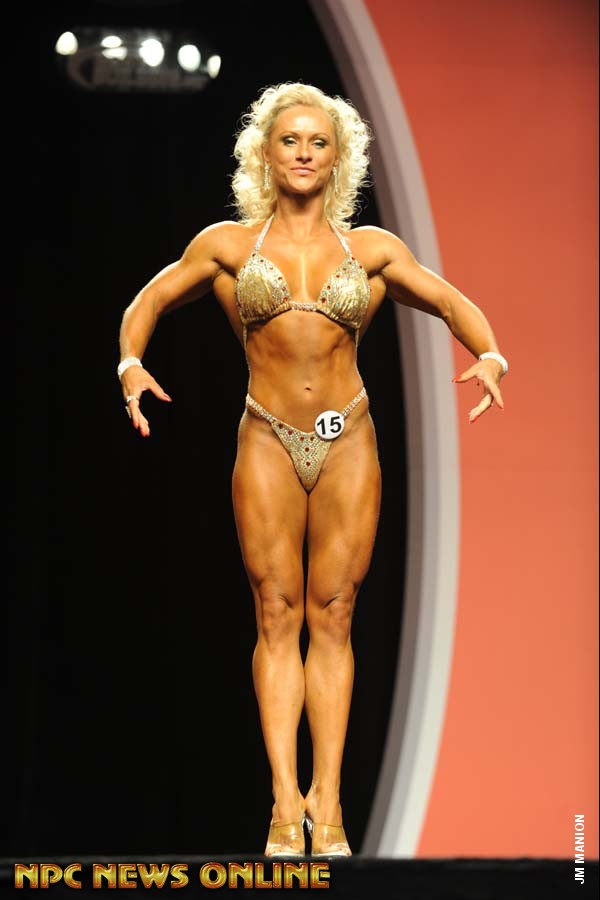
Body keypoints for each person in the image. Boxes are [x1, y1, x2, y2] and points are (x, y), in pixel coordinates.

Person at [117, 82, 507, 858]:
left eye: (318, 142)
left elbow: (449, 301)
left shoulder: (372, 251)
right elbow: (149, 301)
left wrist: (490, 354)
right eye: (290, 140)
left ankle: (327, 805)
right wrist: (130, 364)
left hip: (347, 440)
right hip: (267, 438)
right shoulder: (228, 245)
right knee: (276, 613)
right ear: (266, 153)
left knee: (334, 613)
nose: (303, 153)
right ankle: (282, 802)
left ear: (338, 158)